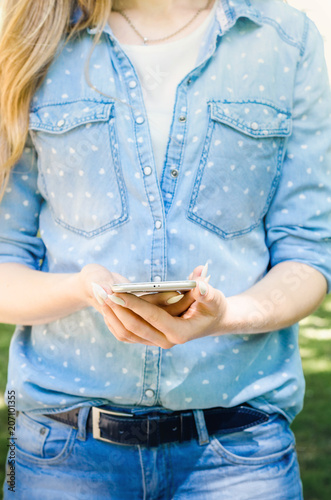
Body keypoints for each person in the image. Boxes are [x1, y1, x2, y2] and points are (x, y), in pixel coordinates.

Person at [0, 0, 330, 498]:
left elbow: (308, 253)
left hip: (240, 454)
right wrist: (82, 289)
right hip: (62, 452)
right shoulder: (35, 40)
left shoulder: (284, 40)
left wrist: (226, 315)